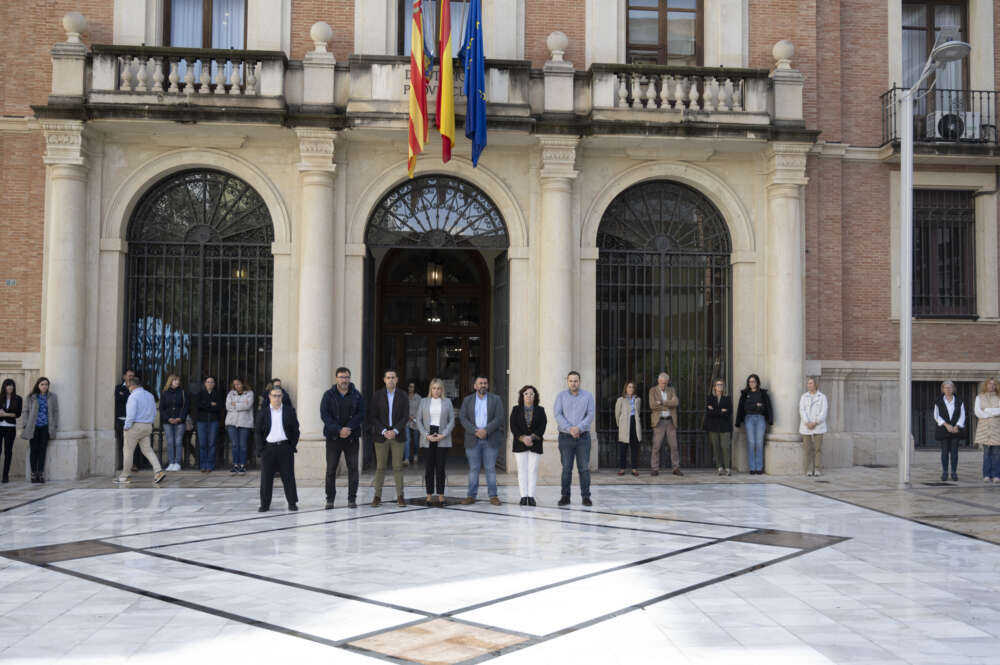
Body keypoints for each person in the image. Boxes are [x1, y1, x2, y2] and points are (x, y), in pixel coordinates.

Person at [320, 367, 365, 509]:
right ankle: (330, 499)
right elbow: (324, 415)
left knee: (353, 469)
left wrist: (348, 429)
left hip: (351, 439)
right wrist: (339, 429)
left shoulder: (357, 395)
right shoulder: (328, 395)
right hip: (333, 438)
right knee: (331, 470)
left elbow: (361, 414)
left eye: (346, 377)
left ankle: (352, 499)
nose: (344, 380)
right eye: (341, 377)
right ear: (336, 378)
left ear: (349, 378)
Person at [459, 375, 505, 506]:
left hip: (490, 438)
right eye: (480, 383)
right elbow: (463, 418)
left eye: (485, 383)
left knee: (490, 468)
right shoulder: (467, 400)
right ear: (475, 386)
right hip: (472, 439)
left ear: (488, 385)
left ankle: (493, 496)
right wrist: (475, 430)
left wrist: (486, 430)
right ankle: (471, 496)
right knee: (474, 469)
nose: (483, 385)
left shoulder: (496, 399)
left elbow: (499, 417)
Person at [554, 371, 595, 507]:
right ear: (567, 382)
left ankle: (586, 497)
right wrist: (570, 429)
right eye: (571, 381)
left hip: (583, 438)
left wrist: (579, 428)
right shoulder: (561, 396)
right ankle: (565, 496)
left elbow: (590, 415)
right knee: (566, 468)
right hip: (565, 438)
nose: (573, 383)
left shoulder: (588, 396)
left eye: (576, 381)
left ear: (580, 381)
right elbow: (558, 414)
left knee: (584, 468)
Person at [255, 386, 300, 512]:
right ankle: (265, 504)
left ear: (282, 397)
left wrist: (291, 447)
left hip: (285, 448)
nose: (277, 398)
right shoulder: (262, 413)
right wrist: (261, 449)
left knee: (288, 476)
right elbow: (258, 432)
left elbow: (296, 430)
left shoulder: (289, 411)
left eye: (279, 396)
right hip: (268, 449)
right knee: (266, 478)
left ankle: (292, 503)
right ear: (269, 396)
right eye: (274, 395)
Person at [368, 369, 409, 507]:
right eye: (388, 377)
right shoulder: (377, 395)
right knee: (380, 467)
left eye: (393, 377)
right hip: (381, 436)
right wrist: (384, 430)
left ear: (397, 379)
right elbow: (373, 416)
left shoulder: (403, 395)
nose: (391, 380)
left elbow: (405, 416)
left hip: (397, 435)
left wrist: (395, 430)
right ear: (384, 380)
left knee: (398, 467)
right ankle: (377, 496)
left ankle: (400, 496)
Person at [116, 377, 166, 485]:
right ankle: (158, 471)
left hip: (135, 426)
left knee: (128, 451)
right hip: (147, 426)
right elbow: (154, 412)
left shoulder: (133, 396)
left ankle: (125, 476)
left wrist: (126, 426)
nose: (128, 388)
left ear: (133, 386)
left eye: (129, 386)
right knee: (147, 450)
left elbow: (131, 413)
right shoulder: (150, 395)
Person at [416, 378, 455, 506]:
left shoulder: (447, 402)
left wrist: (443, 434)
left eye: (438, 388)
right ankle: (428, 495)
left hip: (442, 435)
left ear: (442, 389)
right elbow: (419, 420)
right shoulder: (423, 401)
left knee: (440, 468)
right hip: (428, 436)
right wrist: (426, 435)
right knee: (429, 468)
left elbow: (452, 421)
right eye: (434, 388)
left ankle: (440, 495)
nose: (436, 391)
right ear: (430, 389)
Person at [510, 385, 546, 506]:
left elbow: (542, 426)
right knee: (522, 470)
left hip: (535, 444)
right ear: (522, 396)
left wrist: (531, 437)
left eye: (531, 394)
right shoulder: (516, 409)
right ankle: (523, 496)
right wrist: (523, 438)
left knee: (533, 470)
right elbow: (513, 426)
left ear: (535, 396)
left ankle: (531, 496)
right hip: (520, 444)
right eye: (526, 394)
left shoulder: (540, 410)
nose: (529, 396)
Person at [21, 377, 58, 483]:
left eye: (46, 384)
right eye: (42, 384)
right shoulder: (31, 397)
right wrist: (25, 424)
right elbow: (25, 411)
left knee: (42, 450)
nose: (44, 386)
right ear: (38, 385)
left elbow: (55, 412)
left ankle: (40, 473)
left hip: (45, 426)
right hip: (33, 426)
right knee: (34, 450)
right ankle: (33, 473)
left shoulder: (52, 397)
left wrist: (54, 425)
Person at [735, 374, 772, 475]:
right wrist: (756, 405)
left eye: (753, 381)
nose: (752, 383)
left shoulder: (762, 394)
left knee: (759, 443)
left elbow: (765, 407)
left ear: (757, 382)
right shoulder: (745, 394)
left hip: (760, 419)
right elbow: (745, 408)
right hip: (749, 419)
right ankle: (752, 467)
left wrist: (754, 407)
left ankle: (759, 467)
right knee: (751, 443)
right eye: (750, 382)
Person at [648, 372, 682, 476]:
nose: (664, 385)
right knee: (656, 446)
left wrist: (662, 402)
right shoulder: (653, 390)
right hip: (659, 421)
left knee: (674, 446)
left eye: (665, 383)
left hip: (671, 421)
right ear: (658, 381)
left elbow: (676, 402)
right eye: (662, 383)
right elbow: (653, 405)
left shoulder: (671, 390)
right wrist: (668, 404)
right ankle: (655, 468)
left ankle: (676, 468)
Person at [934, 380, 966, 482]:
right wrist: (946, 425)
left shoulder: (959, 401)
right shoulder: (938, 401)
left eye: (950, 387)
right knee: (944, 452)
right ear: (943, 389)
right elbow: (936, 415)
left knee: (954, 453)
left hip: (955, 430)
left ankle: (954, 472)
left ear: (953, 389)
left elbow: (962, 415)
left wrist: (957, 426)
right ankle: (945, 472)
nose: (948, 389)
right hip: (944, 429)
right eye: (946, 388)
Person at [798, 377, 829, 477]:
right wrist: (807, 422)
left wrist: (815, 422)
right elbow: (801, 410)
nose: (809, 385)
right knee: (807, 449)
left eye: (811, 383)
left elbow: (824, 412)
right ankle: (808, 469)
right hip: (806, 426)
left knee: (817, 449)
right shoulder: (804, 397)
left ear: (815, 384)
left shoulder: (822, 397)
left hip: (818, 426)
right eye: (808, 383)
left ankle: (817, 468)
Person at [225, 378, 254, 475]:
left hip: (244, 423)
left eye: (238, 384)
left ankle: (242, 465)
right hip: (232, 422)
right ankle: (235, 464)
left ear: (243, 384)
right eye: (235, 384)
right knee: (234, 445)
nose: (236, 386)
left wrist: (235, 404)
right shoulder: (230, 393)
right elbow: (228, 406)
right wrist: (241, 404)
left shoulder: (249, 393)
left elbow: (247, 406)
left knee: (243, 445)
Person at [704, 379, 733, 476]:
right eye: (718, 384)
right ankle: (719, 467)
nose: (720, 386)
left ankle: (727, 468)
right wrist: (721, 411)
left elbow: (729, 413)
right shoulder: (710, 398)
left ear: (723, 387)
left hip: (725, 426)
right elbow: (709, 413)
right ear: (714, 387)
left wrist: (715, 411)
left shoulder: (727, 398)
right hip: (713, 427)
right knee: (716, 447)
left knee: (725, 447)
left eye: (721, 385)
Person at [159, 375, 188, 471]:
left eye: (178, 380)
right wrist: (168, 418)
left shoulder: (182, 392)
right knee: (170, 442)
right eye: (175, 380)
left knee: (178, 442)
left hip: (180, 421)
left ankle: (177, 462)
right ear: (170, 381)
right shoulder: (164, 393)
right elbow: (161, 408)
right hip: (167, 422)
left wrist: (180, 418)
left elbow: (185, 407)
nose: (177, 382)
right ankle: (171, 462)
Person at [974, 378, 1000, 483]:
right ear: (986, 385)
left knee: (997, 454)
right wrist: (993, 413)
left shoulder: (999, 397)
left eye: (994, 384)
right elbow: (977, 412)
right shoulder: (979, 397)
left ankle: (996, 475)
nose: (991, 386)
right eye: (989, 384)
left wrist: (988, 411)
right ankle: (986, 474)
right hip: (984, 429)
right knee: (986, 453)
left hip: (997, 428)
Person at [195, 376, 223, 472]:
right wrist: (210, 404)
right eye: (208, 382)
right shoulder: (200, 394)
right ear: (205, 383)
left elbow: (219, 407)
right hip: (201, 421)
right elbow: (198, 406)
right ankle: (203, 465)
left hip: (213, 421)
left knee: (211, 444)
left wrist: (206, 405)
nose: (210, 384)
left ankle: (210, 465)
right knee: (202, 444)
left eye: (212, 382)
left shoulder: (218, 395)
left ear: (214, 384)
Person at [614, 382, 642, 477]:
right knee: (623, 448)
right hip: (624, 425)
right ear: (625, 388)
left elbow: (638, 412)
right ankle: (622, 469)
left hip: (635, 424)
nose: (631, 389)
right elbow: (617, 414)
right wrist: (620, 425)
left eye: (633, 387)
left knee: (634, 448)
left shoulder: (637, 400)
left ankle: (634, 469)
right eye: (629, 387)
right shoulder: (621, 400)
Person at [0, 379, 23, 483]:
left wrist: (5, 414)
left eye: (12, 385)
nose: (10, 387)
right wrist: (10, 414)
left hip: (10, 428)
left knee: (8, 452)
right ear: (4, 387)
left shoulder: (18, 399)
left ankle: (5, 475)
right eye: (8, 385)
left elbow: (17, 414)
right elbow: (12, 414)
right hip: (0, 427)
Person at [115, 369, 137, 472]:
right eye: (129, 375)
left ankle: (132, 464)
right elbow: (119, 399)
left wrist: (127, 393)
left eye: (132, 376)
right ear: (124, 377)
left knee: (132, 444)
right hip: (121, 420)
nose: (130, 378)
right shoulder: (118, 388)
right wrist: (128, 392)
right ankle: (124, 465)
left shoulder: (136, 390)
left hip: (133, 421)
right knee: (122, 444)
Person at [406, 381, 422, 466]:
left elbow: (421, 409)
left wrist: (414, 417)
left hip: (416, 423)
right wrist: (408, 416)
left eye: (412, 387)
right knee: (407, 440)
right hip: (407, 422)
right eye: (409, 386)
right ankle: (407, 458)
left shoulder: (419, 398)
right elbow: (403, 408)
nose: (411, 388)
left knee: (416, 441)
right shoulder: (405, 397)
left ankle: (415, 455)